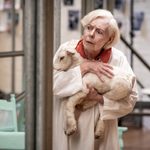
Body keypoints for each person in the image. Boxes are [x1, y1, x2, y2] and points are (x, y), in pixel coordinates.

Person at [53, 9, 138, 150]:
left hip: (100, 130)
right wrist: (85, 67)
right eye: (89, 28)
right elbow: (54, 84)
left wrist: (100, 98)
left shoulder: (117, 58)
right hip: (66, 123)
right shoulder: (66, 50)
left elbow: (131, 98)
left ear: (109, 39)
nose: (91, 34)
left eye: (99, 32)